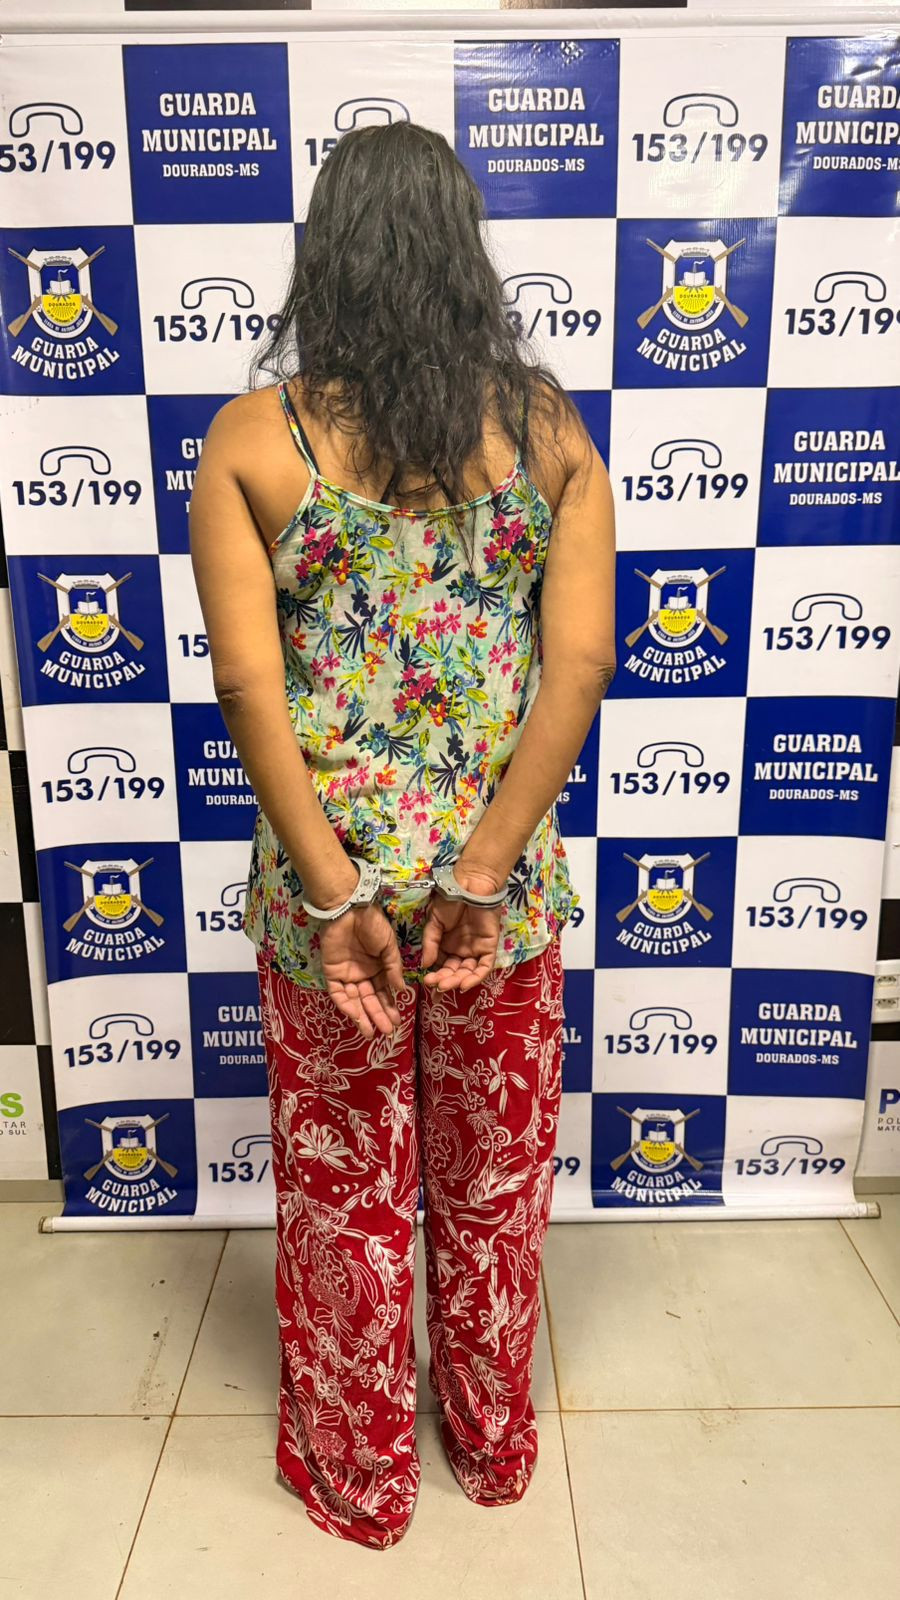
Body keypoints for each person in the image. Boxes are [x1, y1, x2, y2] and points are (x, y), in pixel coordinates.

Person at [189, 120, 615, 1551]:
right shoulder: (548, 432)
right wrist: (482, 874)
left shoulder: (257, 440)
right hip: (499, 895)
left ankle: (361, 1476)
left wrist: (332, 897)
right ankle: (490, 1446)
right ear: (461, 254)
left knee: (343, 1191)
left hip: (334, 900)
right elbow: (578, 668)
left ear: (329, 257)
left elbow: (249, 684)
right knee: (492, 1186)